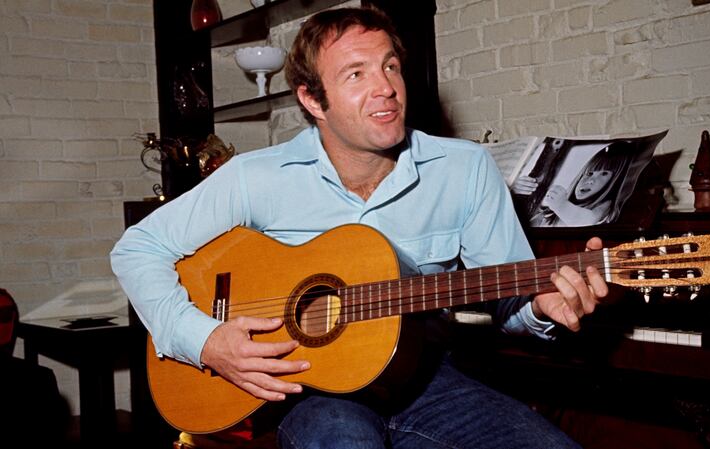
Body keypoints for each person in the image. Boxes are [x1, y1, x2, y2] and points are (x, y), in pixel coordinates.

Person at [110, 7, 609, 448]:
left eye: (390, 66)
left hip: (426, 378)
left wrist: (541, 308)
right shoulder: (253, 177)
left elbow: (507, 293)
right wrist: (204, 339)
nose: (386, 87)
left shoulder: (466, 168)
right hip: (308, 388)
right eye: (356, 74)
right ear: (313, 100)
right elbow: (138, 248)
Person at [529, 143, 632, 227]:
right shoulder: (550, 213)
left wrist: (561, 205)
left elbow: (587, 221)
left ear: (614, 181)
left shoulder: (605, 205)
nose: (590, 180)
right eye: (589, 173)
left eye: (604, 174)